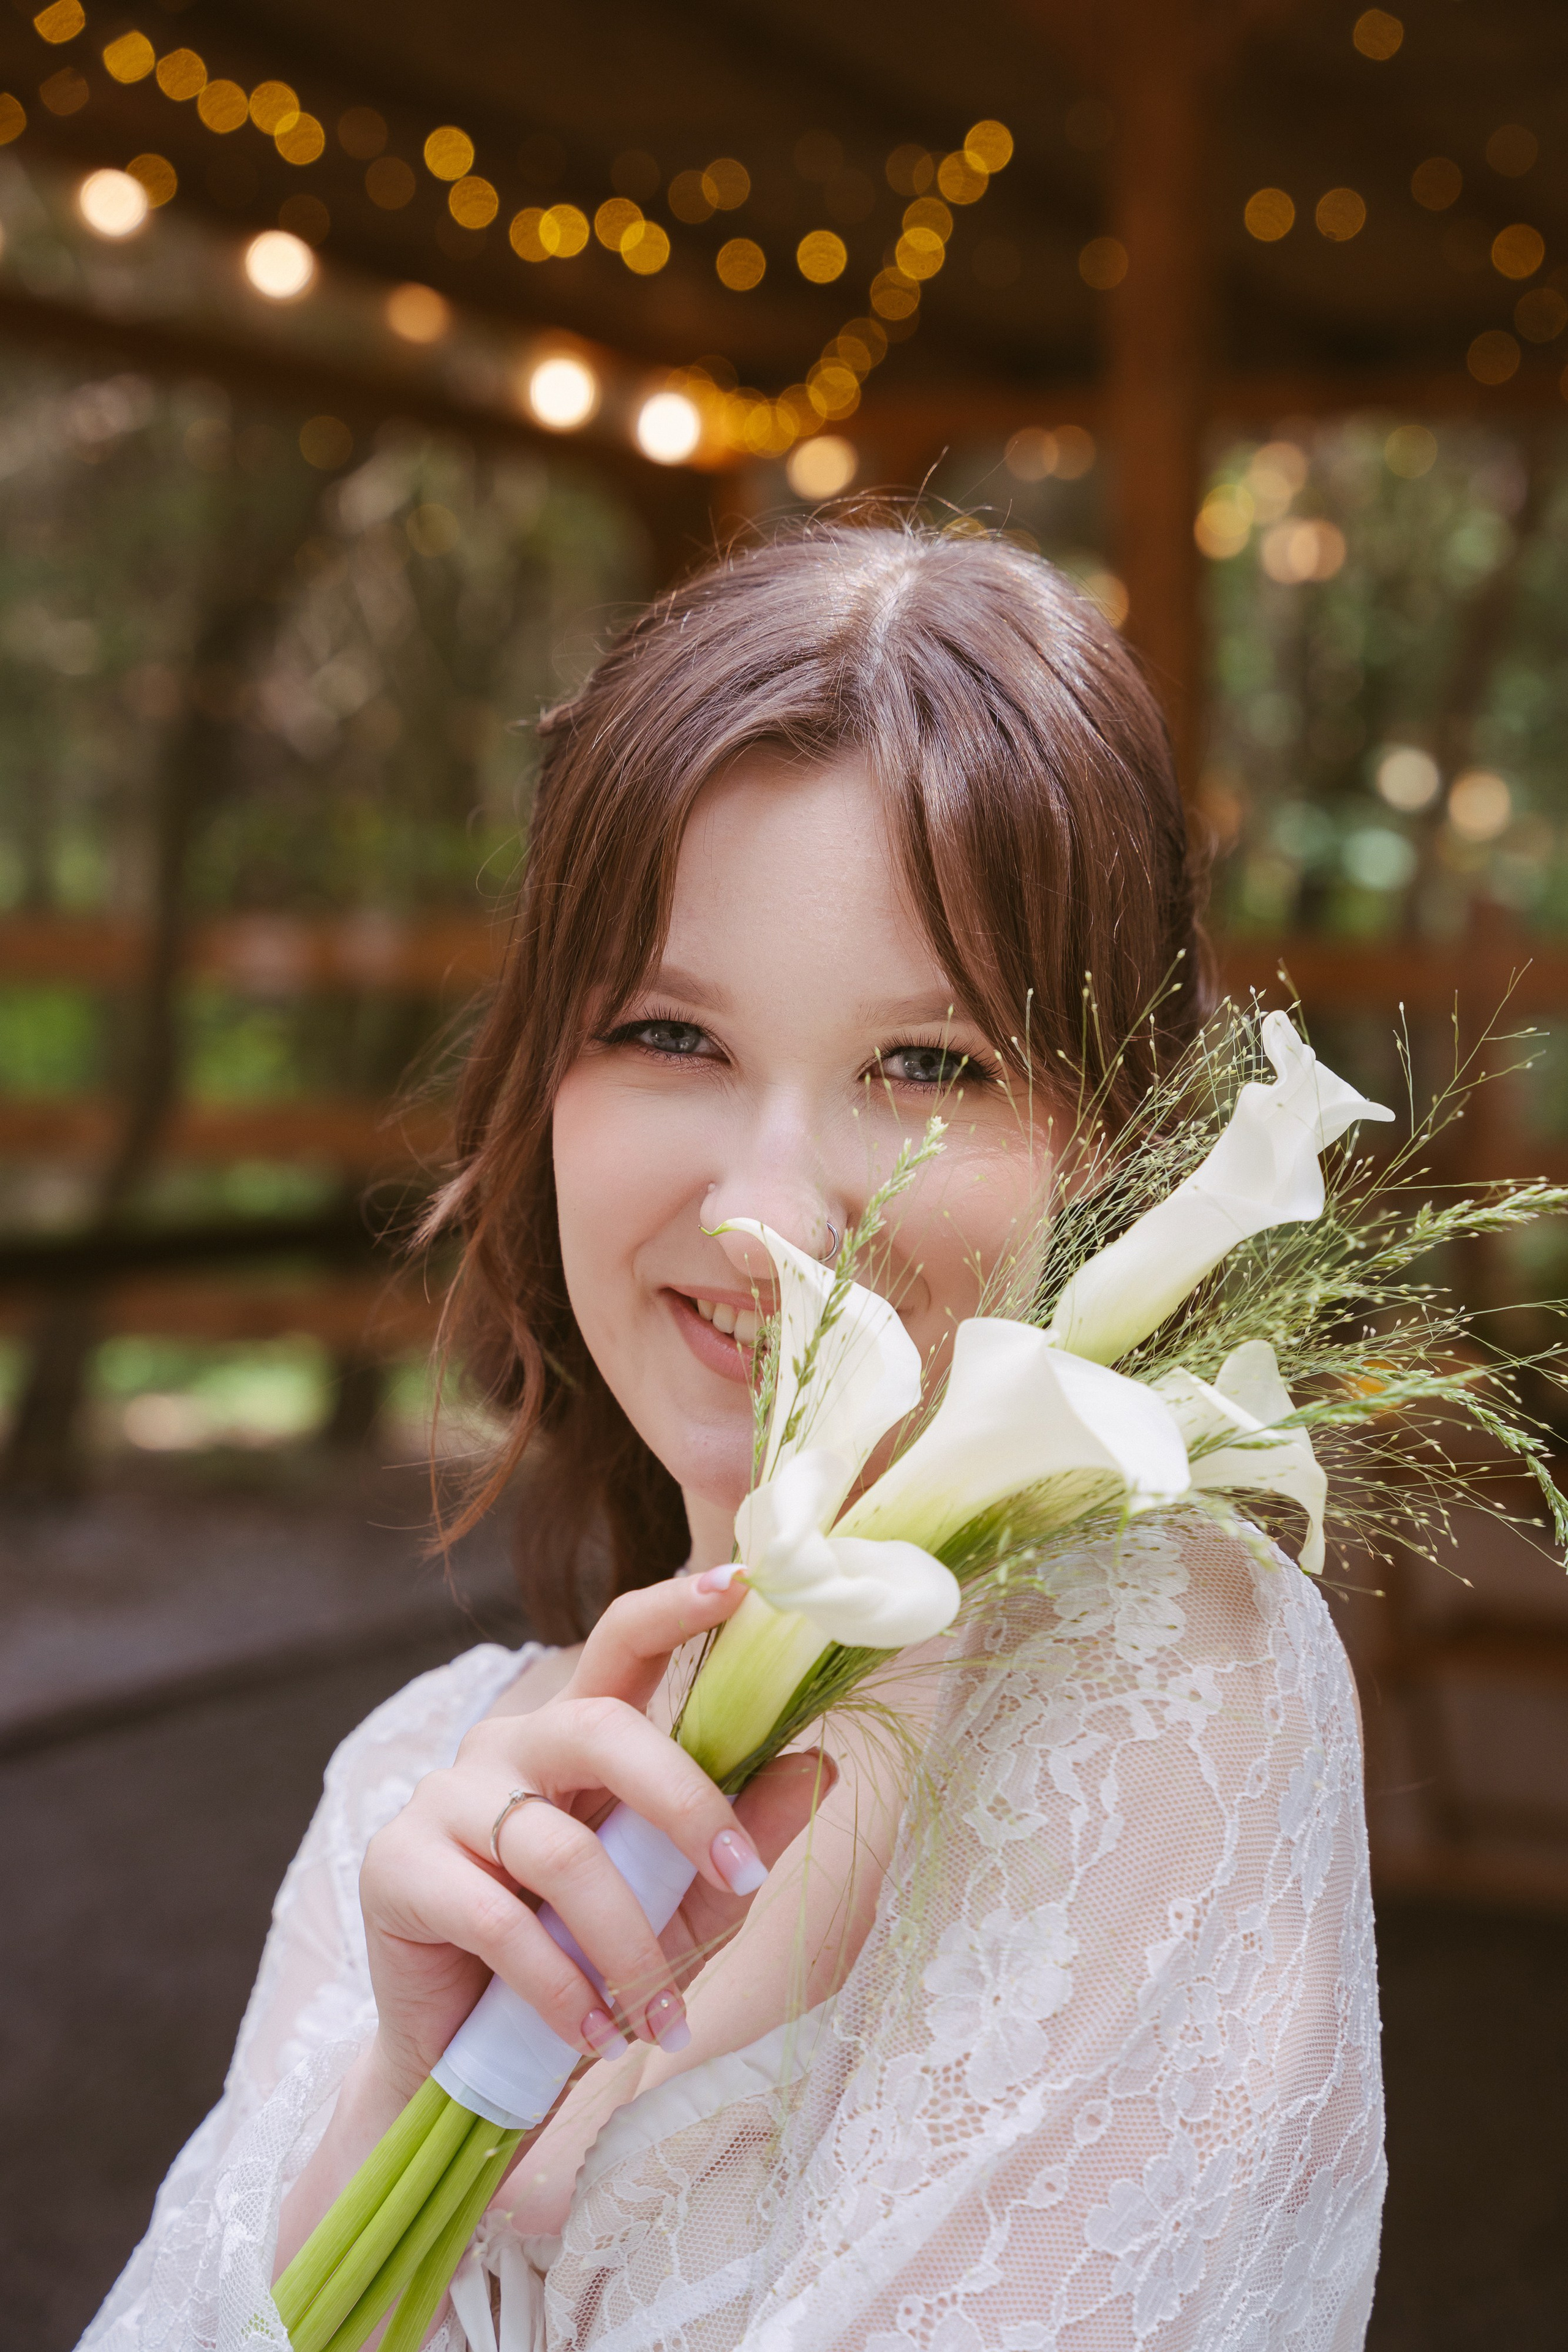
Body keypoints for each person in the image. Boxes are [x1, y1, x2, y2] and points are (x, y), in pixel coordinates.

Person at [81, 521, 1384, 2352]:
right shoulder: (416, 1787)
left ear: (1107, 1145)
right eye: (668, 1034)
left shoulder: (1167, 1684)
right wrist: (402, 2097)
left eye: (928, 1065)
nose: (769, 1210)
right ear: (545, 1079)